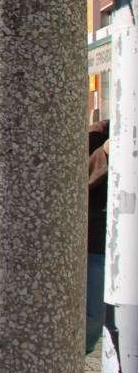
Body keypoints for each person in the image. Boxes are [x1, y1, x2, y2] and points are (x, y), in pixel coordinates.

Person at [86, 119, 110, 354]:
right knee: (93, 318)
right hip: (98, 246)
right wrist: (105, 152)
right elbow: (78, 178)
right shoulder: (99, 132)